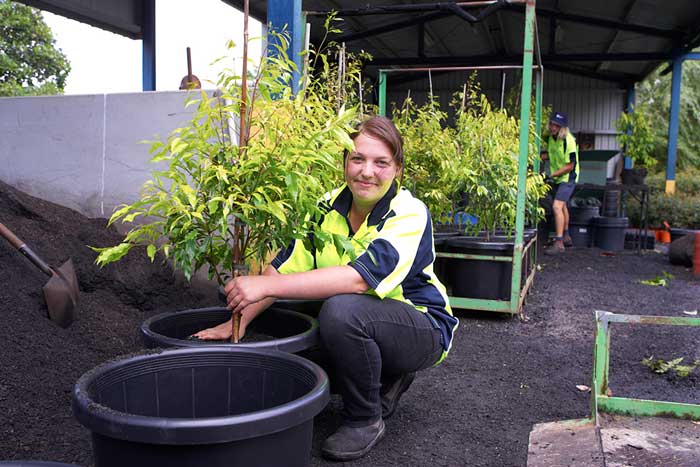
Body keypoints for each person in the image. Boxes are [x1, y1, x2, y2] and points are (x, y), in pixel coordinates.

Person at [194, 116, 459, 461]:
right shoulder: (326, 207)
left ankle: (365, 417)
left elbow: (359, 279)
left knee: (341, 311)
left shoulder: (408, 213)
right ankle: (385, 376)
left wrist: (260, 285)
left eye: (381, 162)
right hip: (364, 319)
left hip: (421, 326)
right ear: (344, 162)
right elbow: (283, 270)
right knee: (278, 306)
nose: (366, 171)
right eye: (357, 158)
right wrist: (241, 317)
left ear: (398, 170)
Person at [540, 111, 579, 255]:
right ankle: (567, 236)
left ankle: (559, 242)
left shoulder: (569, 141)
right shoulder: (552, 138)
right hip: (557, 177)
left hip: (568, 177)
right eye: (551, 124)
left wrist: (552, 174)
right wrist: (540, 157)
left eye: (556, 125)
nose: (553, 127)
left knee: (556, 207)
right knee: (562, 207)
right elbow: (553, 153)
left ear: (562, 127)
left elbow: (570, 165)